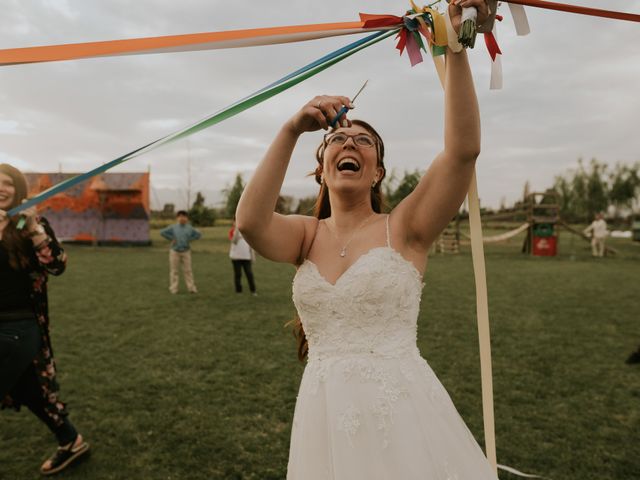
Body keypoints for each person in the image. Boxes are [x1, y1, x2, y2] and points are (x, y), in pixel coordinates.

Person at [236, 1, 498, 478]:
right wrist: (292, 128)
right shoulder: (304, 235)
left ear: (377, 170)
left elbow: (463, 151)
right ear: (322, 170)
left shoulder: (406, 228)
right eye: (337, 139)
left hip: (404, 413)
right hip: (324, 415)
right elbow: (251, 223)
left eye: (363, 142)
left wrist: (455, 45)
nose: (349, 143)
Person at [0, 163, 90, 476]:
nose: (1, 188)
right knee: (30, 391)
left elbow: (58, 265)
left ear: (18, 191)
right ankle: (71, 440)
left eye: (7, 183)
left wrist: (34, 230)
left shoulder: (30, 222)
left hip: (18, 326)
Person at [160, 210, 201, 294]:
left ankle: (191, 288)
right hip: (174, 251)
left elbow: (198, 234)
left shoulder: (189, 227)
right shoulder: (173, 227)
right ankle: (173, 289)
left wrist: (190, 239)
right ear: (177, 218)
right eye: (180, 216)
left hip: (186, 251)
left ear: (187, 218)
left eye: (184, 216)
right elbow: (162, 232)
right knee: (174, 271)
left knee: (188, 270)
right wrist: (171, 238)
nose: (182, 218)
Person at [229, 220, 257, 295]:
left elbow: (251, 245)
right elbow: (234, 241)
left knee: (249, 274)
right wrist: (237, 230)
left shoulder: (248, 232)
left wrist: (253, 257)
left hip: (246, 257)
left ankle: (253, 290)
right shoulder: (232, 231)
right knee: (238, 274)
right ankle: (239, 291)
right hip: (236, 257)